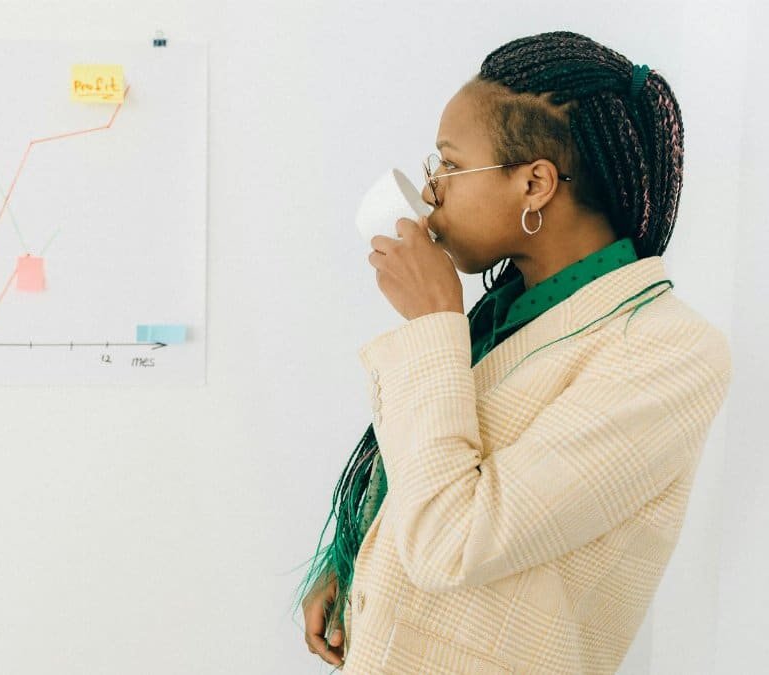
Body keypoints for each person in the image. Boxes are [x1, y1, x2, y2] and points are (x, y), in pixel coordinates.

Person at [294, 30, 732, 674]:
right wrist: (362, 558)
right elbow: (434, 480)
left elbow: (455, 543)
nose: (430, 190)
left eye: (447, 163)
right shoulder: (506, 313)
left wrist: (433, 323)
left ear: (535, 184)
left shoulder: (669, 351)